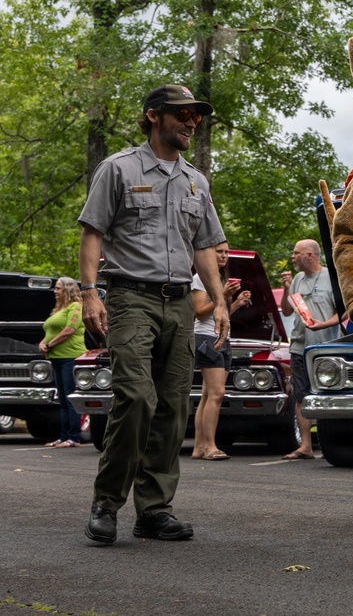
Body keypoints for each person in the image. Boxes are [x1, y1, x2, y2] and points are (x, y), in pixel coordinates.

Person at [78, 84, 228, 545]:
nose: (190, 123)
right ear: (153, 117)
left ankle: (154, 510)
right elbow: (92, 233)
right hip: (130, 298)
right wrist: (89, 293)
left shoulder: (195, 181)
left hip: (181, 303)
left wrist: (219, 301)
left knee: (172, 405)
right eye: (181, 115)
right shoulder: (118, 169)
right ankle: (106, 504)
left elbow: (204, 246)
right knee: (137, 398)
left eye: (195, 118)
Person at [280, 239, 342, 460]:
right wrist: (287, 288)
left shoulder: (331, 278)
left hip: (327, 347)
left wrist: (323, 324)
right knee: (301, 396)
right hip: (300, 347)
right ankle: (305, 446)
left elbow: (344, 312)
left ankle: (334, 442)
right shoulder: (297, 279)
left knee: (329, 394)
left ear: (310, 255)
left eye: (296, 253)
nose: (293, 257)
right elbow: (287, 311)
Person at [191, 241, 251, 461]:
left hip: (223, 338)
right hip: (206, 338)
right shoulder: (200, 278)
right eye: (219, 252)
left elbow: (222, 314)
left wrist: (235, 303)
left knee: (208, 394)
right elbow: (199, 313)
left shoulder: (223, 279)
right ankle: (210, 446)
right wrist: (221, 294)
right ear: (209, 254)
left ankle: (199, 447)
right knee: (217, 394)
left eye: (226, 252)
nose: (224, 255)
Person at [39, 277, 87, 448]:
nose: (55, 291)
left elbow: (70, 329)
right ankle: (63, 436)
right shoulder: (59, 309)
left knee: (70, 397)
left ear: (67, 290)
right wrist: (42, 343)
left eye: (58, 288)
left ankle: (74, 437)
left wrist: (50, 344)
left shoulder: (76, 307)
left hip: (70, 357)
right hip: (56, 358)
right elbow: (50, 330)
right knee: (62, 398)